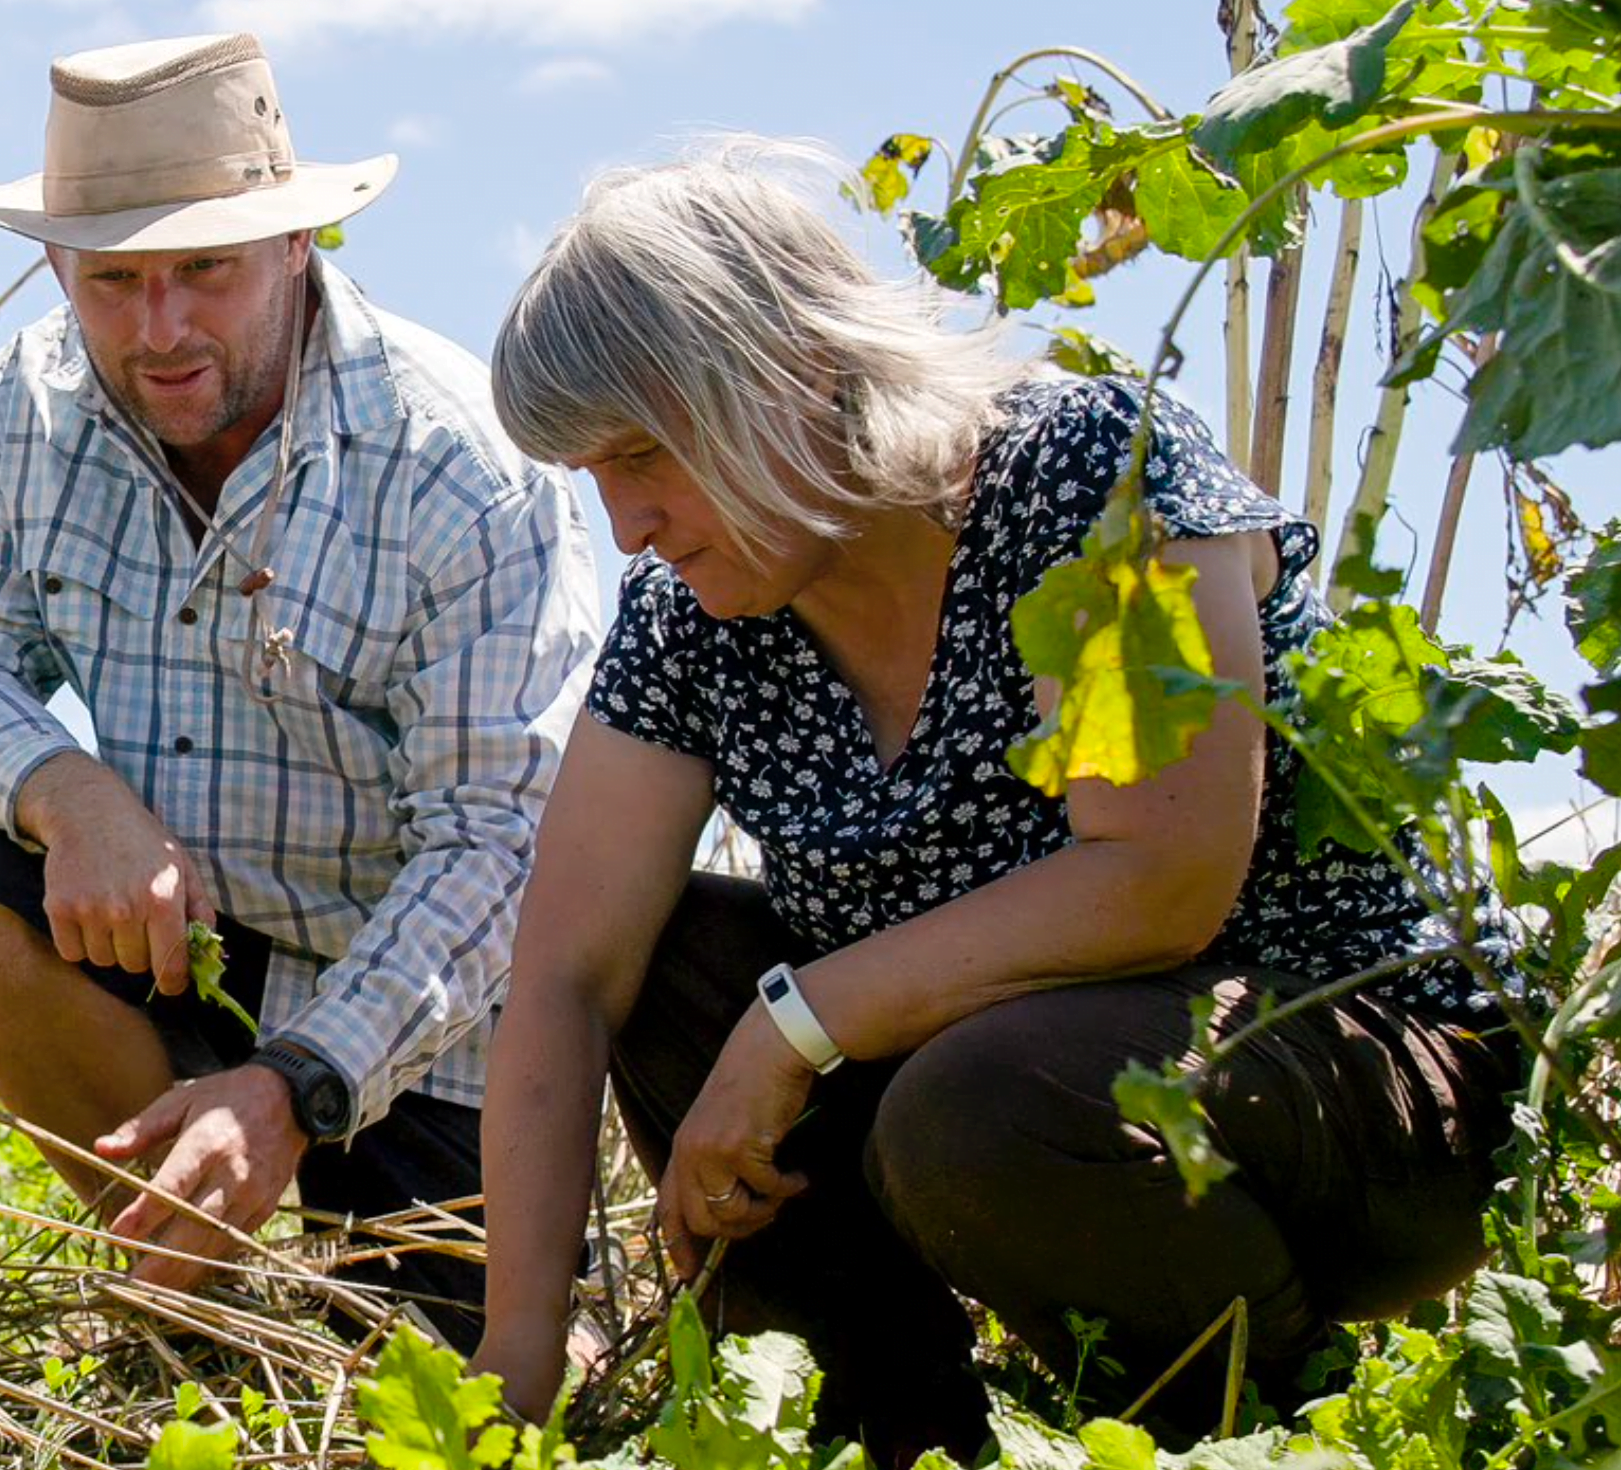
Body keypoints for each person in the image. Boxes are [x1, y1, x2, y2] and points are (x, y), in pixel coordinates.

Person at [468, 140, 1519, 1459]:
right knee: (674, 963)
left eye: (641, 457)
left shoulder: (1086, 470)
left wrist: (789, 1029)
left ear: (788, 376)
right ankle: (880, 1434)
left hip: (1354, 1085)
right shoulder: (694, 620)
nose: (626, 522)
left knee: (974, 1098)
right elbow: (564, 978)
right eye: (593, 477)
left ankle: (1231, 1421)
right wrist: (508, 1377)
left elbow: (1159, 880)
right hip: (1034, 1103)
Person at [0, 32, 599, 1352]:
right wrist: (69, 791)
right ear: (55, 268)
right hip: (181, 952)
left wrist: (297, 1082)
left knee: (463, 1395)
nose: (159, 331)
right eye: (113, 283)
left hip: (411, 1015)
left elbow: (496, 847)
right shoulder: (16, 413)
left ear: (295, 245)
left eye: (202, 272)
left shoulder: (461, 467)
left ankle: (315, 1243)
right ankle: (186, 1305)